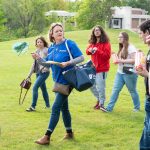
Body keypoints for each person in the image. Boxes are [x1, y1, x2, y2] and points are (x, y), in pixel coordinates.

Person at [32, 23, 84, 145]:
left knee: (55, 108)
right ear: (52, 34)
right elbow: (48, 64)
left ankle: (47, 136)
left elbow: (81, 57)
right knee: (64, 108)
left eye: (61, 30)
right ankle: (69, 133)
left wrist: (68, 62)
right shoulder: (51, 48)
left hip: (68, 80)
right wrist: (38, 58)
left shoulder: (69, 43)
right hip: (57, 81)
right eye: (57, 31)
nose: (60, 32)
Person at [106, 32, 140, 112]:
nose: (119, 38)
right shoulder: (122, 47)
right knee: (115, 90)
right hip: (120, 72)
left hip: (129, 73)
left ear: (125, 38)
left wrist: (120, 60)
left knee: (132, 90)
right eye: (118, 37)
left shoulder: (131, 47)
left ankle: (137, 107)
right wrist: (115, 56)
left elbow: (134, 60)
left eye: (121, 37)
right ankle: (109, 108)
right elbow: (120, 60)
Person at [86, 25, 111, 112]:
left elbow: (107, 56)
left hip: (102, 69)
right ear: (93, 32)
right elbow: (87, 51)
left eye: (98, 30)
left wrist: (98, 50)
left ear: (101, 32)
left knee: (101, 87)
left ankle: (102, 104)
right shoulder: (93, 43)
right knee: (90, 85)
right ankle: (99, 99)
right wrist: (89, 50)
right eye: (95, 30)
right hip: (92, 68)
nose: (96, 31)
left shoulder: (106, 43)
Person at [26, 37, 50, 112]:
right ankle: (48, 105)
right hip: (38, 72)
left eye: (41, 42)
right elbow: (34, 64)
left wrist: (39, 58)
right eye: (38, 42)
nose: (39, 43)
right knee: (43, 89)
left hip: (44, 72)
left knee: (35, 87)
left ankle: (33, 106)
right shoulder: (37, 51)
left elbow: (48, 63)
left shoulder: (46, 50)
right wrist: (29, 75)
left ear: (44, 43)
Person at [137, 20, 150, 149]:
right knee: (147, 130)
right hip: (148, 97)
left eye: (141, 33)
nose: (140, 36)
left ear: (147, 32)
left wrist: (146, 73)